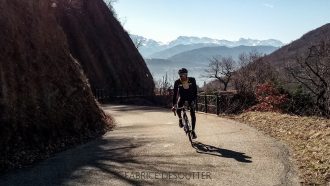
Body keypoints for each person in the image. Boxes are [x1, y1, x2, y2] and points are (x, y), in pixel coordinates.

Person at [171, 68, 198, 139]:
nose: (182, 76)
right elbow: (175, 94)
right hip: (182, 98)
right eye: (180, 75)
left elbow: (195, 91)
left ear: (186, 75)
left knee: (193, 114)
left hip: (190, 98)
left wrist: (194, 101)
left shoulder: (192, 80)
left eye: (183, 75)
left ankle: (193, 131)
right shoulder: (177, 82)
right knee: (178, 108)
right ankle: (180, 119)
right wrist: (173, 105)